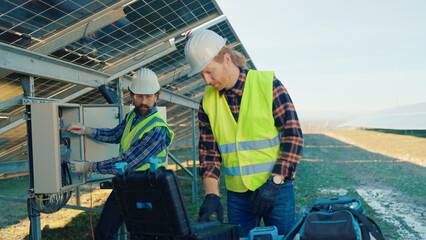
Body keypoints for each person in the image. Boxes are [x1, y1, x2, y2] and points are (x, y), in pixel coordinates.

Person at [184, 29, 304, 237]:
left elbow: (293, 135)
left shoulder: (268, 85)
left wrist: (275, 182)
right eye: (201, 74)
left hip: (277, 190)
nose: (206, 80)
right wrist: (212, 194)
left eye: (210, 71)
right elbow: (208, 153)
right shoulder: (207, 102)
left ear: (227, 60)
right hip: (238, 195)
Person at [67, 68, 174, 240]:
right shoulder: (133, 116)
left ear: (156, 96)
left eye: (148, 96)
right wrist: (87, 130)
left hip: (147, 187)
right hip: (126, 183)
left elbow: (127, 161)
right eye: (139, 96)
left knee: (141, 235)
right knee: (104, 231)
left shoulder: (157, 129)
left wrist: (89, 166)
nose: (143, 101)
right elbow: (115, 135)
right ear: (131, 95)